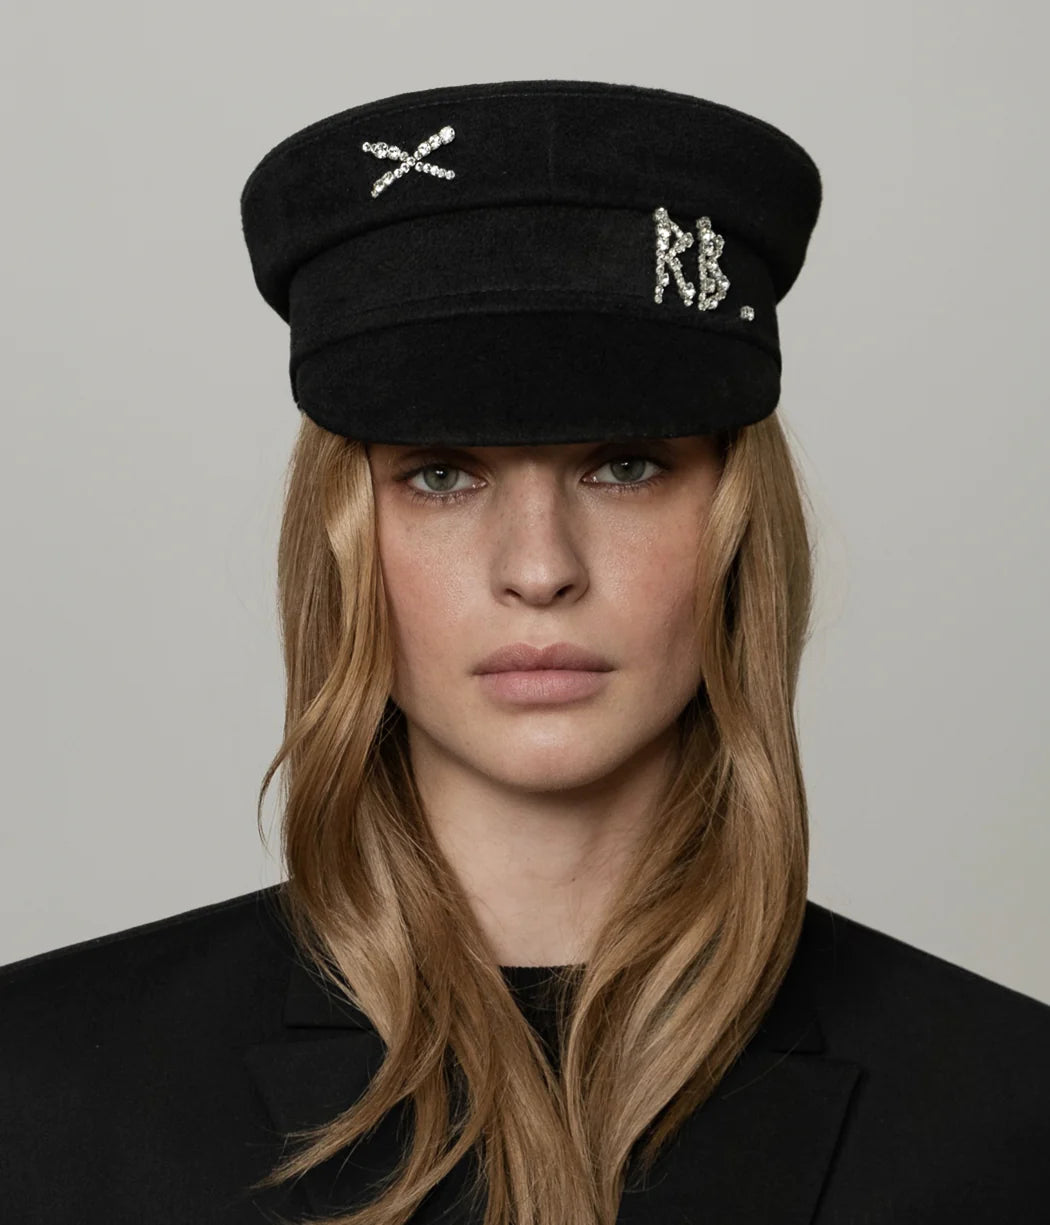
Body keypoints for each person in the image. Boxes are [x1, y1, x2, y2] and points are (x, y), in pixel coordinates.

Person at [1, 78, 1048, 1225]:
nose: (540, 567)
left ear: (738, 522)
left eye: (628, 466)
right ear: (341, 540)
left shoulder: (1009, 1111)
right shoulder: (42, 1087)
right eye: (442, 474)